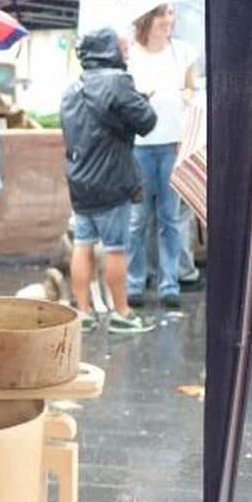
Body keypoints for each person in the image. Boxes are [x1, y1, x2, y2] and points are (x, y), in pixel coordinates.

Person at [58, 27, 158, 334]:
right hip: (112, 180)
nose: (126, 51)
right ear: (108, 50)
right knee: (116, 248)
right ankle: (122, 313)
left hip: (80, 181)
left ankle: (84, 313)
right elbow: (148, 121)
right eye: (122, 46)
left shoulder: (72, 88)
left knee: (82, 245)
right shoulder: (117, 82)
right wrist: (142, 99)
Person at [124, 4, 195, 309]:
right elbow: (122, 98)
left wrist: (188, 96)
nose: (169, 20)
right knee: (137, 219)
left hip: (173, 145)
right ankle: (134, 283)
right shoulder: (131, 56)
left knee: (171, 218)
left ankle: (170, 283)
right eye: (162, 14)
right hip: (138, 146)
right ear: (147, 18)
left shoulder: (184, 52)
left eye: (171, 13)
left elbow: (193, 90)